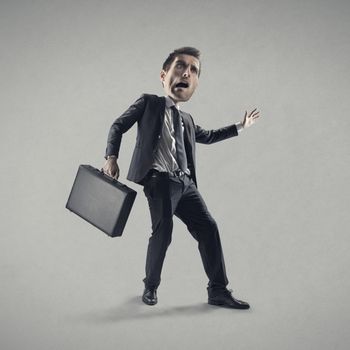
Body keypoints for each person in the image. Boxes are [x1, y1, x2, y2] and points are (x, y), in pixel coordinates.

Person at [102, 47, 260, 309]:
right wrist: (111, 157)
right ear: (163, 75)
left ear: (194, 85)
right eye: (180, 66)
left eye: (193, 70)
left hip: (185, 185)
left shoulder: (186, 119)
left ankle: (218, 291)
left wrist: (241, 127)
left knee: (209, 228)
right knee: (163, 233)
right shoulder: (149, 103)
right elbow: (118, 125)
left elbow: (208, 136)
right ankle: (150, 286)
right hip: (160, 181)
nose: (186, 72)